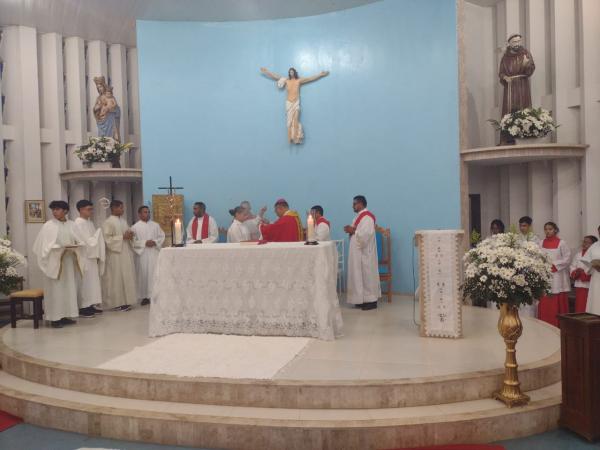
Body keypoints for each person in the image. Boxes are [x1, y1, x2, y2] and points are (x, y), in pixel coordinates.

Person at [32, 201, 83, 328]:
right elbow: (44, 246)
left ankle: (65, 315)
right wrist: (59, 248)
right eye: (53, 210)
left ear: (65, 211)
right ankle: (54, 318)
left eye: (58, 209)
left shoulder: (72, 224)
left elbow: (79, 240)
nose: (55, 212)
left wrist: (76, 246)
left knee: (68, 289)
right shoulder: (49, 225)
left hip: (68, 262)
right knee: (56, 291)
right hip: (54, 262)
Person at [260, 67, 329, 144]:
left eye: (292, 72)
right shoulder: (286, 80)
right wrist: (266, 72)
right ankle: (289, 138)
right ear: (289, 73)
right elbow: (275, 76)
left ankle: (296, 138)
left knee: (296, 120)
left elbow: (310, 79)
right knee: (289, 122)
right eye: (290, 72)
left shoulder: (299, 80)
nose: (291, 73)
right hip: (289, 103)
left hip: (296, 102)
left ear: (294, 73)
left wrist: (320, 74)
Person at [344, 195, 381, 310]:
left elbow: (366, 234)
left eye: (354, 204)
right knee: (359, 275)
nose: (353, 206)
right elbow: (358, 231)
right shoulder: (358, 217)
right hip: (358, 252)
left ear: (360, 203)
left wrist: (353, 230)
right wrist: (351, 230)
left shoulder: (367, 217)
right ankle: (361, 299)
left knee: (367, 275)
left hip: (365, 253)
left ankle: (371, 301)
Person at [498, 34, 535, 144]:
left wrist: (525, 64)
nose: (517, 44)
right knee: (509, 110)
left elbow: (531, 68)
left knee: (523, 108)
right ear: (509, 43)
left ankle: (525, 135)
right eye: (514, 42)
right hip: (510, 87)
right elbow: (501, 73)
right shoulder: (505, 56)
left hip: (522, 85)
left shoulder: (525, 53)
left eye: (519, 41)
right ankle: (508, 138)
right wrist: (505, 77)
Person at [102, 200, 137, 311]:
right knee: (116, 278)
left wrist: (131, 234)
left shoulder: (123, 220)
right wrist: (123, 237)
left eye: (122, 207)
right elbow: (107, 240)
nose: (123, 210)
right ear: (114, 208)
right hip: (115, 255)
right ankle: (116, 303)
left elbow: (127, 233)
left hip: (125, 252)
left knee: (126, 276)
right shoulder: (108, 222)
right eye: (121, 208)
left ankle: (126, 301)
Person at [73, 200, 105, 318]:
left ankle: (91, 304)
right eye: (88, 209)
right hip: (84, 256)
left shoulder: (89, 222)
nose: (91, 211)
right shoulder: (78, 222)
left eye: (91, 209)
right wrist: (98, 234)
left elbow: (92, 240)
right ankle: (83, 307)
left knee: (92, 282)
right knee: (85, 282)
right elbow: (86, 241)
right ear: (81, 209)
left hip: (91, 256)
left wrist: (96, 236)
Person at [538, 222, 571, 326]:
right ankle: (544, 321)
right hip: (544, 274)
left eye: (550, 229)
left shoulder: (562, 243)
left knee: (556, 299)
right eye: (546, 229)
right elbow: (538, 256)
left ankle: (558, 324)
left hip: (558, 276)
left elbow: (567, 258)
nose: (548, 231)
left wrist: (555, 265)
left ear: (555, 230)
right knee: (544, 298)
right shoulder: (541, 242)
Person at [132, 206, 165, 306]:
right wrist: (144, 243)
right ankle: (145, 297)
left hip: (154, 253)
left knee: (155, 273)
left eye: (148, 212)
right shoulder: (135, 227)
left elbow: (161, 236)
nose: (147, 214)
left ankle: (155, 295)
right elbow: (133, 242)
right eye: (145, 212)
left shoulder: (155, 225)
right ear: (139, 214)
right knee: (144, 275)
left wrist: (155, 242)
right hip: (143, 254)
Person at [570, 235, 598, 313]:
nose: (584, 244)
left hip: (590, 285)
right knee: (580, 307)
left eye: (587, 242)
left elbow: (594, 269)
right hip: (580, 285)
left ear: (593, 245)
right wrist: (576, 271)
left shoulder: (595, 256)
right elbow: (572, 266)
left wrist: (584, 273)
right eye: (583, 241)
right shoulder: (578, 255)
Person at [581, 233, 600, 315]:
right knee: (596, 300)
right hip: (596, 276)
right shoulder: (595, 245)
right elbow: (586, 260)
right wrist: (593, 266)